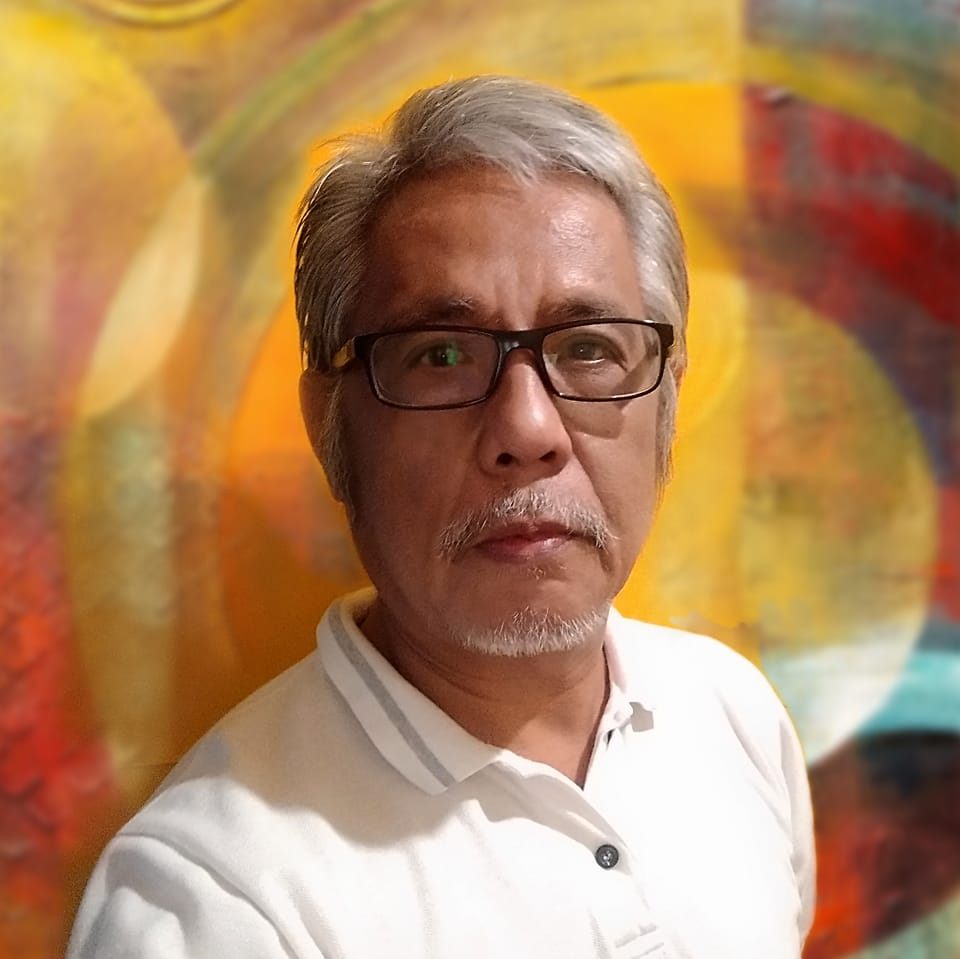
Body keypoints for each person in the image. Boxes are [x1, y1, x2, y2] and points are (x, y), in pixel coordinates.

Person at [68, 75, 815, 959]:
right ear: (331, 425)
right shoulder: (219, 902)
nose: (527, 430)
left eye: (588, 347)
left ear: (668, 406)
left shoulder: (730, 711)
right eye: (443, 355)